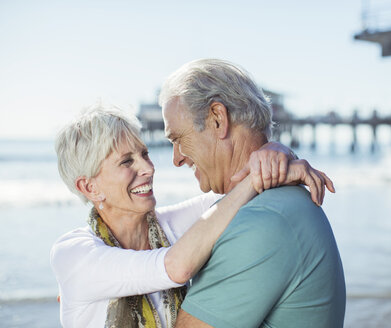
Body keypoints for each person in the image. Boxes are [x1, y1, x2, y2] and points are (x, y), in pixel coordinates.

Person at [50, 106, 333, 328]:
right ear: (89, 187)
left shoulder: (172, 225)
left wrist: (275, 152)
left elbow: (237, 196)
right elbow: (176, 267)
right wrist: (254, 180)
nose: (148, 168)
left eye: (144, 154)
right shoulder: (73, 254)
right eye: (127, 161)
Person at [160, 58, 346, 328]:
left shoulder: (262, 220)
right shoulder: (275, 203)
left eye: (177, 139)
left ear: (217, 119)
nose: (176, 159)